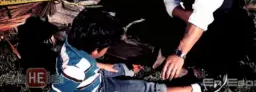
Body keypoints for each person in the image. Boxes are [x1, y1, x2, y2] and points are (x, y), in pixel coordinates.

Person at [49, 8, 226, 92]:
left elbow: (87, 64)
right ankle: (197, 88)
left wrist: (105, 68)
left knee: (120, 69)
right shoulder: (71, 72)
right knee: (147, 89)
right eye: (107, 47)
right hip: (99, 87)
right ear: (96, 50)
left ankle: (128, 71)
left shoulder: (71, 44)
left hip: (96, 78)